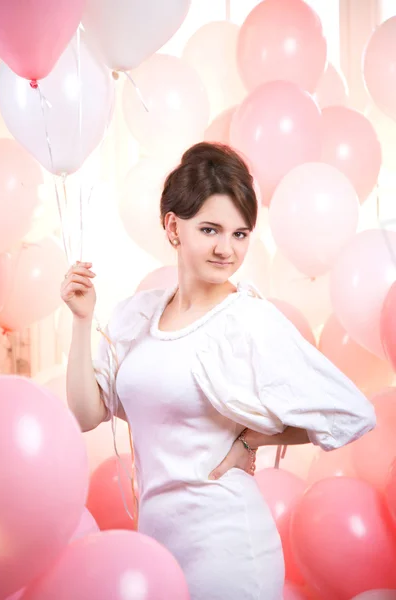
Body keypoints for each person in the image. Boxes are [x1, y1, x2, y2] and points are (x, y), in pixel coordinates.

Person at [62, 142, 376, 600]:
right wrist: (81, 320)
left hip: (228, 547)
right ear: (174, 226)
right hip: (157, 544)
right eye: (210, 229)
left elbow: (352, 412)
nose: (226, 249)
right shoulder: (138, 316)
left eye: (240, 234)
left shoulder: (246, 318)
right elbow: (87, 414)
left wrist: (252, 439)